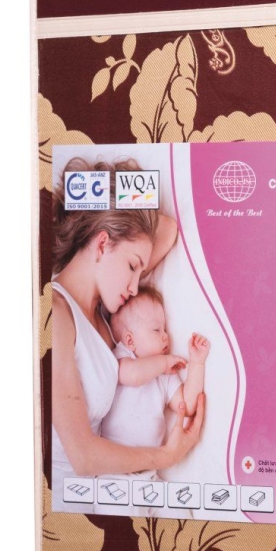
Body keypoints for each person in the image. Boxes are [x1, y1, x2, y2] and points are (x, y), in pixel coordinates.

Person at [51, 158, 204, 489]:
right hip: (72, 498)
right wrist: (167, 456)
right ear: (102, 244)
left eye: (141, 271)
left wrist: (112, 204)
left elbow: (167, 229)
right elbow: (82, 456)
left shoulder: (106, 317)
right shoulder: (57, 314)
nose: (136, 287)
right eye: (134, 266)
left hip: (109, 489)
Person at [101, 286, 210, 452]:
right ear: (130, 341)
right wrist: (164, 363)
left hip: (148, 461)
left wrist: (197, 363)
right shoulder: (122, 356)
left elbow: (186, 405)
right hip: (113, 453)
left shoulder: (165, 375)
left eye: (164, 329)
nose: (165, 335)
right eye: (156, 330)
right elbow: (132, 375)